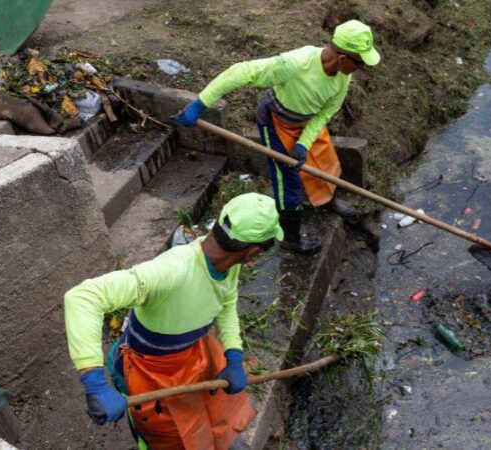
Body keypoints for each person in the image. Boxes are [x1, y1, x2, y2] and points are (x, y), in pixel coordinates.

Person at [64, 193, 284, 449]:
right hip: (151, 371)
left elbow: (226, 305)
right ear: (253, 251)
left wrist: (233, 355)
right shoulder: (173, 270)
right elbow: (83, 297)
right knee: (168, 437)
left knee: (215, 415)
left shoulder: (229, 265)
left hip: (195, 354)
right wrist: (94, 381)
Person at [173, 20, 381, 254]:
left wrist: (303, 144)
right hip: (277, 120)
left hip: (308, 120)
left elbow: (326, 112)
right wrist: (201, 103)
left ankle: (327, 200)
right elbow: (241, 72)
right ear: (343, 57)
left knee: (324, 160)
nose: (362, 67)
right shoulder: (295, 64)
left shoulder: (343, 75)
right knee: (287, 178)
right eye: (360, 62)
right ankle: (291, 236)